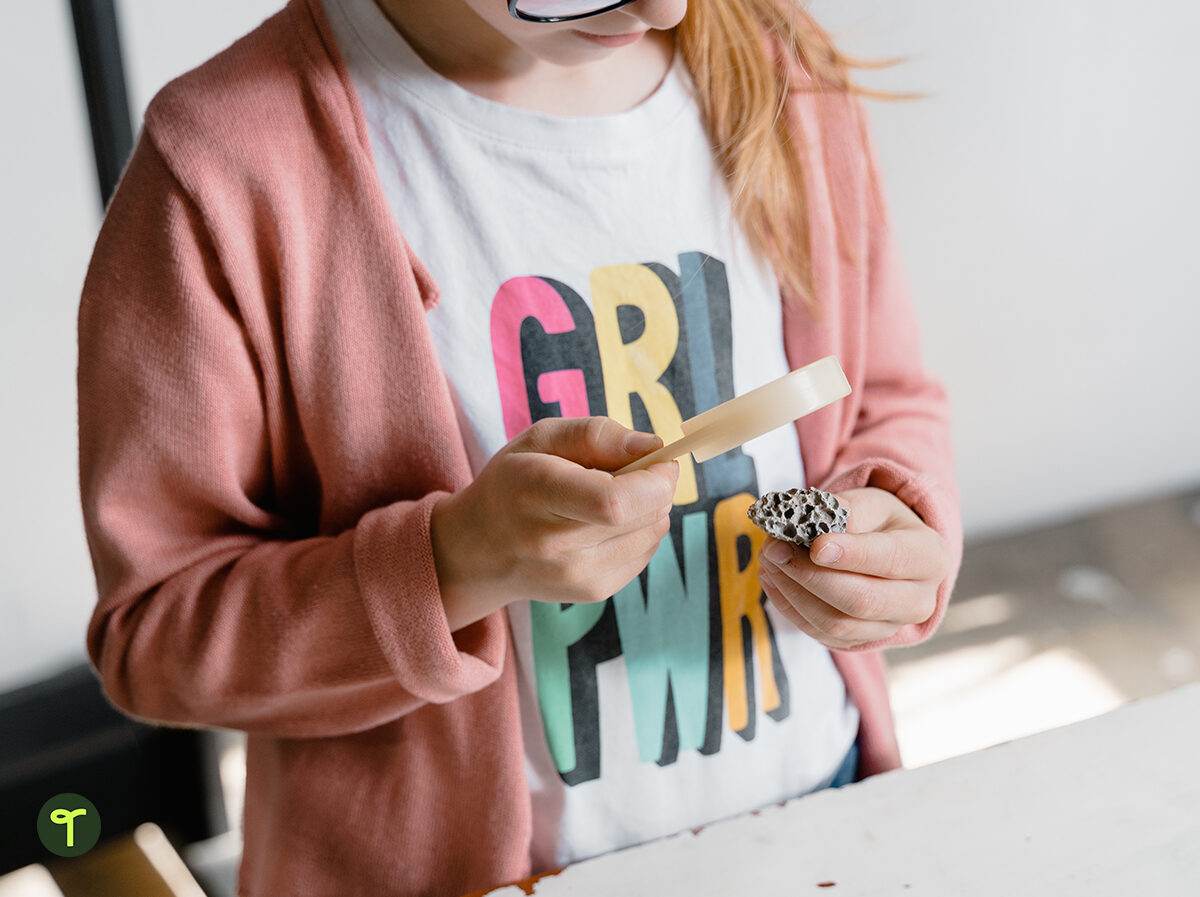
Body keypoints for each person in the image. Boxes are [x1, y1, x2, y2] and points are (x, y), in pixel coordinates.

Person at [77, 0, 962, 894]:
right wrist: (449, 565)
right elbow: (155, 631)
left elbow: (886, 395)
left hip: (820, 813)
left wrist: (898, 522)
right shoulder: (226, 163)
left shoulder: (778, 70)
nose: (665, 9)